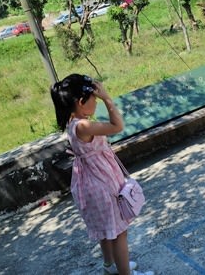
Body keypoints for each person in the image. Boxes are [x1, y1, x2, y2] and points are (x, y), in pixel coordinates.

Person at [50, 74, 153, 275]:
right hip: (102, 181)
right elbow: (118, 126)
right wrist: (107, 98)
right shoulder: (84, 125)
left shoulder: (73, 123)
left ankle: (110, 266)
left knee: (105, 230)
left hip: (90, 181)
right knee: (120, 232)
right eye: (94, 99)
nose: (96, 102)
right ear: (81, 102)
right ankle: (125, 273)